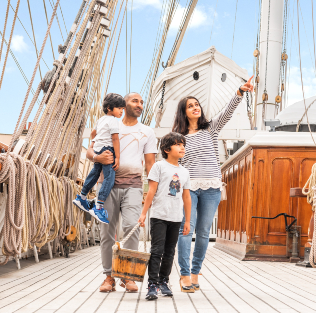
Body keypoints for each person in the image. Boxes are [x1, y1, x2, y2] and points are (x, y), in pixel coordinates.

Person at [173, 76, 254, 291]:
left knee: (203, 233)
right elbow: (174, 167)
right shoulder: (178, 137)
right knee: (185, 230)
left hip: (211, 188)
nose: (195, 108)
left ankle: (195, 272)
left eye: (197, 104)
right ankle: (183, 274)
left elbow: (227, 112)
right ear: (184, 111)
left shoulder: (210, 129)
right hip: (188, 188)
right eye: (190, 106)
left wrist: (240, 91)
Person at [86, 93, 157, 293]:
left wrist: (152, 190)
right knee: (107, 231)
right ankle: (108, 277)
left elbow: (150, 164)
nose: (140, 105)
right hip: (106, 185)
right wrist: (97, 158)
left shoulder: (147, 132)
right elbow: (90, 152)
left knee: (131, 227)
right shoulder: (107, 124)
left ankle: (128, 276)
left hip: (133, 186)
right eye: (135, 101)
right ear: (123, 105)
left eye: (142, 102)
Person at [138, 132, 191, 300]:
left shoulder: (184, 172)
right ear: (167, 149)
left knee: (169, 252)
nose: (182, 147)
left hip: (176, 218)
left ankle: (164, 281)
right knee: (157, 250)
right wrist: (143, 213)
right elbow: (151, 191)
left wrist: (188, 220)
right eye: (178, 144)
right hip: (159, 216)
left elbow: (186, 197)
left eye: (183, 144)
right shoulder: (159, 167)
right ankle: (152, 284)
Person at [73, 93, 125, 224]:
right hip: (108, 149)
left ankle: (82, 197)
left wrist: (97, 142)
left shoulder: (100, 120)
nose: (121, 112)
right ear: (109, 108)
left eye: (122, 109)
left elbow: (92, 134)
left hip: (98, 148)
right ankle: (99, 207)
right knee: (109, 178)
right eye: (119, 108)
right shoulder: (113, 121)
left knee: (95, 173)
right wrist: (117, 157)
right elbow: (115, 139)